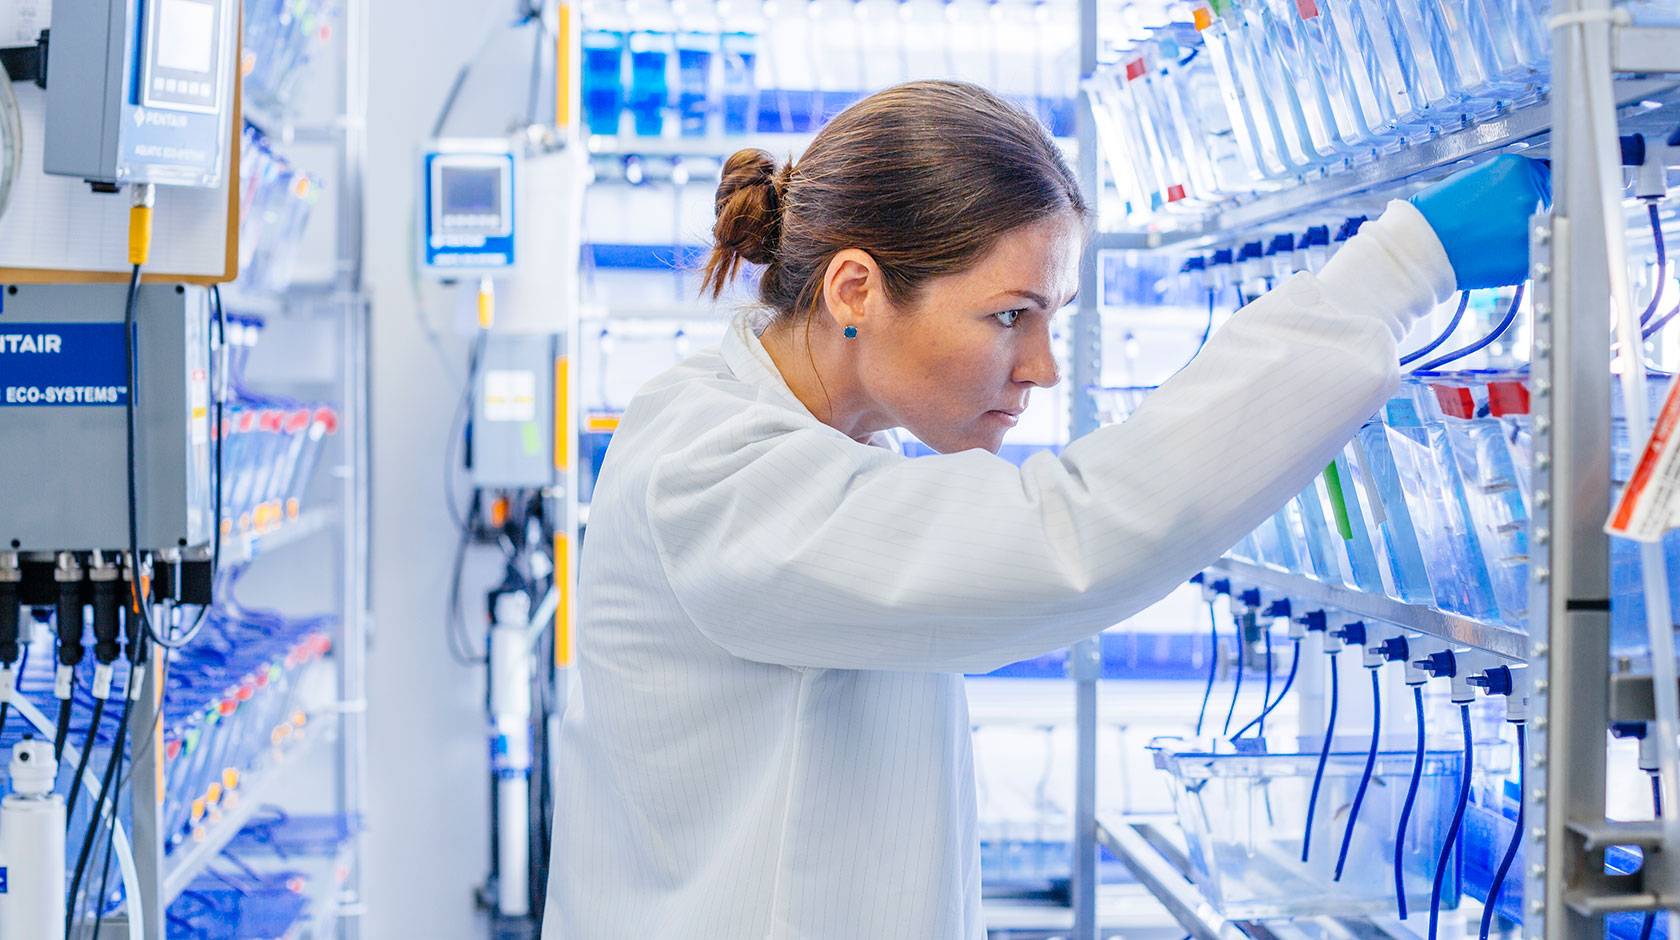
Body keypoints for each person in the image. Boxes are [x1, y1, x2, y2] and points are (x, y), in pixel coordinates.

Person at [541, 80, 1548, 939]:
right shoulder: (714, 474)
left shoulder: (820, 445)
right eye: (1009, 316)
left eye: (1053, 318)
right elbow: (1067, 540)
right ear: (856, 287)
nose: (1042, 367)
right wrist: (1396, 275)